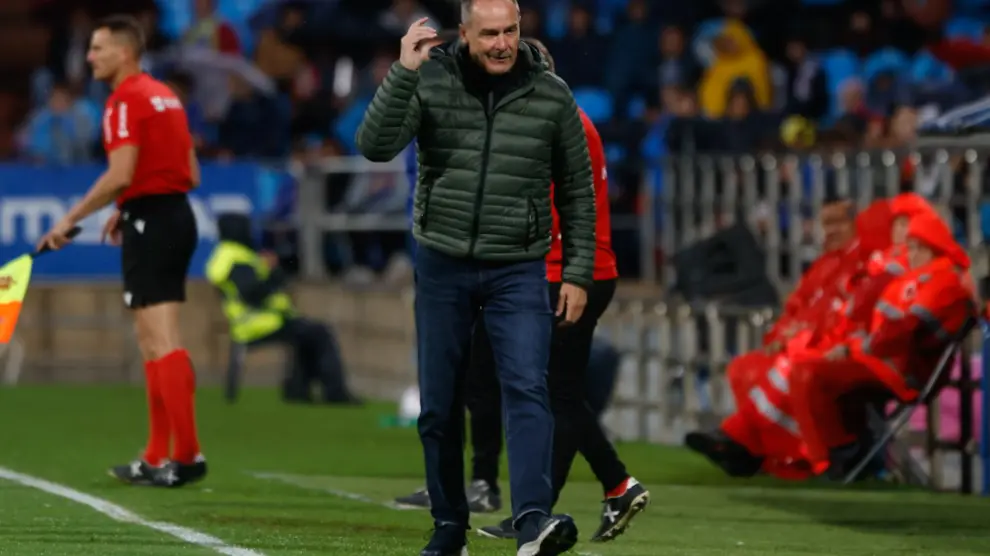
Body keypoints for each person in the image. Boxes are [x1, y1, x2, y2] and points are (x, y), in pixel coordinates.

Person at [355, 1, 597, 554]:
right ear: (463, 33)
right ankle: (448, 527)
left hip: (518, 266)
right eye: (489, 33)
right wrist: (403, 72)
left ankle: (533, 520)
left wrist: (577, 272)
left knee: (527, 390)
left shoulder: (552, 95)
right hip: (442, 264)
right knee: (439, 404)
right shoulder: (429, 79)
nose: (501, 43)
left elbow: (578, 191)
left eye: (510, 30)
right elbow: (374, 147)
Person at [37, 15, 206, 487]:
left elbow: (118, 173)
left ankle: (187, 455)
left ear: (125, 53)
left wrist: (69, 220)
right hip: (172, 215)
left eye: (98, 48)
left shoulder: (123, 100)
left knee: (162, 339)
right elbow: (190, 173)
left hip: (152, 221)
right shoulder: (164, 94)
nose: (90, 57)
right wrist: (135, 201)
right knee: (154, 342)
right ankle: (155, 456)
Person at [789, 211, 977, 477]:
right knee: (809, 373)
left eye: (913, 247)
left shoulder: (941, 282)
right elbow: (885, 332)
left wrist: (855, 349)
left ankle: (837, 457)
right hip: (886, 363)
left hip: (902, 372)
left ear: (929, 247)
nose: (908, 254)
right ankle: (842, 456)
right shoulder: (920, 279)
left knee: (811, 374)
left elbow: (903, 332)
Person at [205, 213, 359, 404]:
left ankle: (297, 389)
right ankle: (335, 393)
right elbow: (252, 294)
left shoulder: (225, 255)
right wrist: (274, 272)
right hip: (260, 322)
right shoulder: (236, 257)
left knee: (305, 333)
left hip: (251, 322)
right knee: (320, 333)